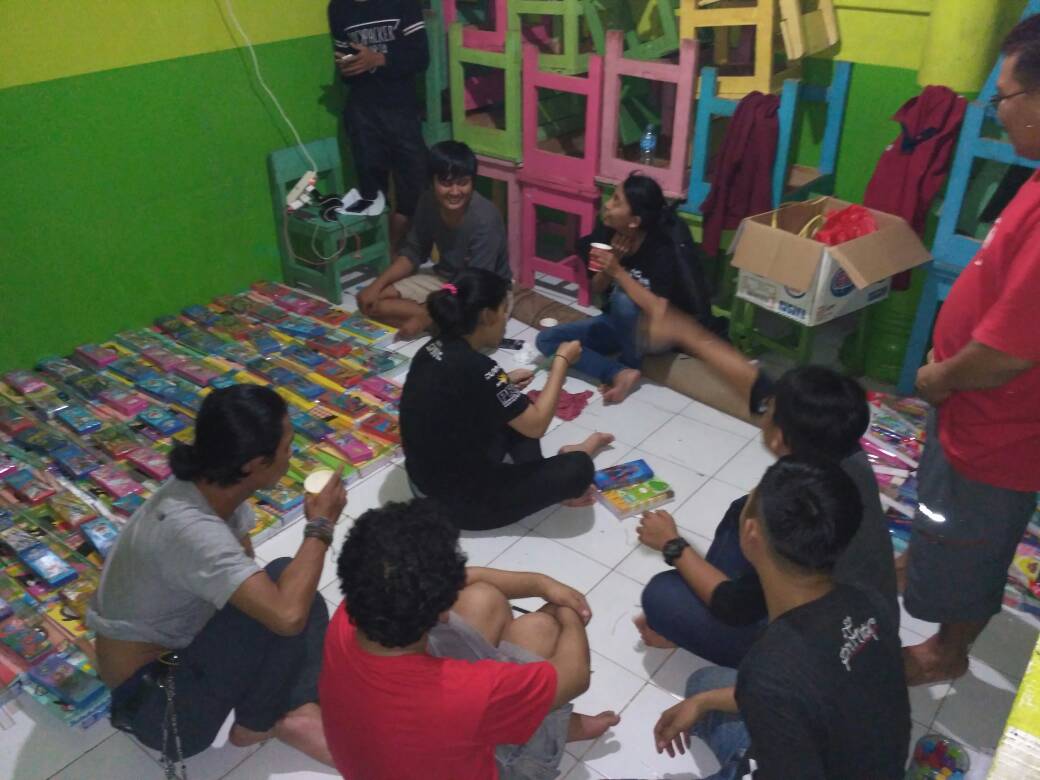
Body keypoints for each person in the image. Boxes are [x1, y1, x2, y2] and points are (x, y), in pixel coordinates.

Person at [87, 385, 347, 768]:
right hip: (162, 709)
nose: (291, 456)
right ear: (254, 464)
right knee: (293, 601)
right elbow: (287, 617)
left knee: (295, 589)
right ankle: (265, 721)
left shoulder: (210, 486)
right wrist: (320, 526)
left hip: (175, 659)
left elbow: (245, 573)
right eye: (287, 447)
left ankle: (290, 709)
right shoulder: (191, 529)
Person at [630, 301, 898, 668]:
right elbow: (756, 385)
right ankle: (703, 601)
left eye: (770, 409)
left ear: (779, 438)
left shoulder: (799, 511)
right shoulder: (838, 447)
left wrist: (672, 545)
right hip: (859, 602)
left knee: (661, 596)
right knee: (740, 512)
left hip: (820, 646)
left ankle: (709, 627)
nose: (762, 408)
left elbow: (737, 605)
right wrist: (686, 332)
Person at [902, 15, 1040, 686]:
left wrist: (941, 378)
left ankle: (946, 650)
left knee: (974, 539)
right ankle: (925, 564)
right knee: (944, 519)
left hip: (999, 427)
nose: (996, 111)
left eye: (1003, 97)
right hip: (972, 412)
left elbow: (1009, 352)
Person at [320, 499, 620, 779]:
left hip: (396, 747)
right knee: (540, 629)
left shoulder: (353, 609)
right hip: (483, 761)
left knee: (482, 599)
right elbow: (576, 676)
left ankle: (537, 714)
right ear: (440, 610)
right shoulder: (461, 693)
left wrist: (540, 584)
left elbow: (466, 578)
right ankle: (550, 725)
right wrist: (568, 613)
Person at [652, 457, 911, 780]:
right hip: (868, 759)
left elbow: (781, 695)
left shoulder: (771, 666)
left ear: (750, 532)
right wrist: (704, 702)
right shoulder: (869, 598)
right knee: (702, 685)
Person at [399, 268, 614, 530]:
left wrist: (504, 382)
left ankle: (540, 474)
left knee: (513, 407)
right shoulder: (479, 368)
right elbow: (537, 425)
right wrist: (561, 362)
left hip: (423, 480)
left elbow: (459, 389)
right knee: (578, 468)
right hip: (456, 505)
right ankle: (556, 478)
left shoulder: (431, 348)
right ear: (487, 315)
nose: (505, 320)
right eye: (503, 311)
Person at [536, 173, 713, 404]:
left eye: (617, 201)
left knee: (623, 299)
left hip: (659, 332)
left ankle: (630, 363)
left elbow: (659, 311)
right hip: (619, 323)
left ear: (634, 221)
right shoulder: (608, 229)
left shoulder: (662, 245)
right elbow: (597, 287)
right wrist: (611, 264)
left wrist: (618, 271)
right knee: (547, 340)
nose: (608, 205)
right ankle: (618, 372)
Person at [357, 141, 512, 338]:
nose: (455, 192)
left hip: (484, 290)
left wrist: (426, 316)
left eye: (463, 183)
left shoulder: (485, 218)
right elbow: (413, 253)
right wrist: (375, 285)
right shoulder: (427, 201)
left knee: (475, 331)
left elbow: (476, 284)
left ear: (473, 182)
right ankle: (436, 323)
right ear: (432, 182)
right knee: (372, 302)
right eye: (446, 183)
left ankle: (434, 322)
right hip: (444, 279)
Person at [329, 0, 429, 247]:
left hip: (400, 107)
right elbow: (347, 72)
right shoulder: (338, 8)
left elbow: (421, 58)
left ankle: (400, 250)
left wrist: (379, 60)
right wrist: (349, 66)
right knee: (372, 194)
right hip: (362, 111)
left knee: (415, 186)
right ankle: (383, 252)